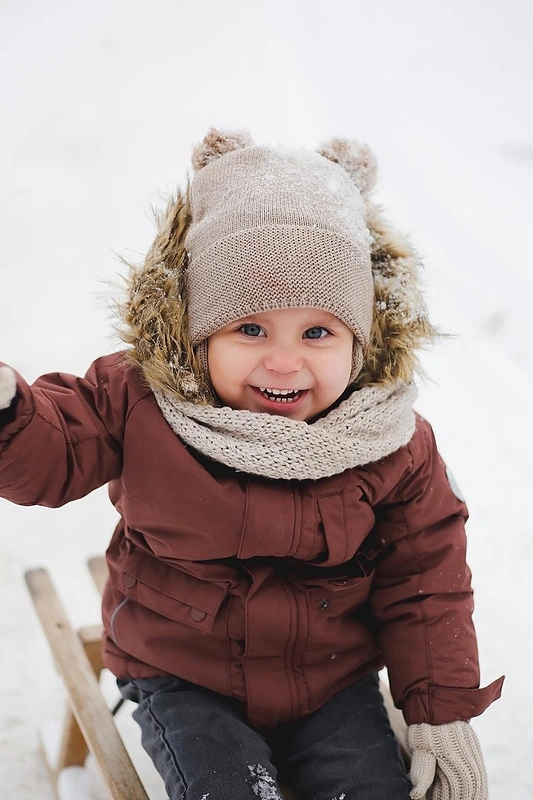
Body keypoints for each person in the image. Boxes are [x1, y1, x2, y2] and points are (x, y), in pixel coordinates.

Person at [0, 128, 503, 800]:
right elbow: (53, 453)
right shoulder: (142, 399)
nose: (284, 361)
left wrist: (439, 713)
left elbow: (423, 582)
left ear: (359, 340)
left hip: (330, 680)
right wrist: (9, 412)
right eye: (250, 328)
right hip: (181, 671)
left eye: (317, 332)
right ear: (197, 328)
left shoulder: (388, 440)